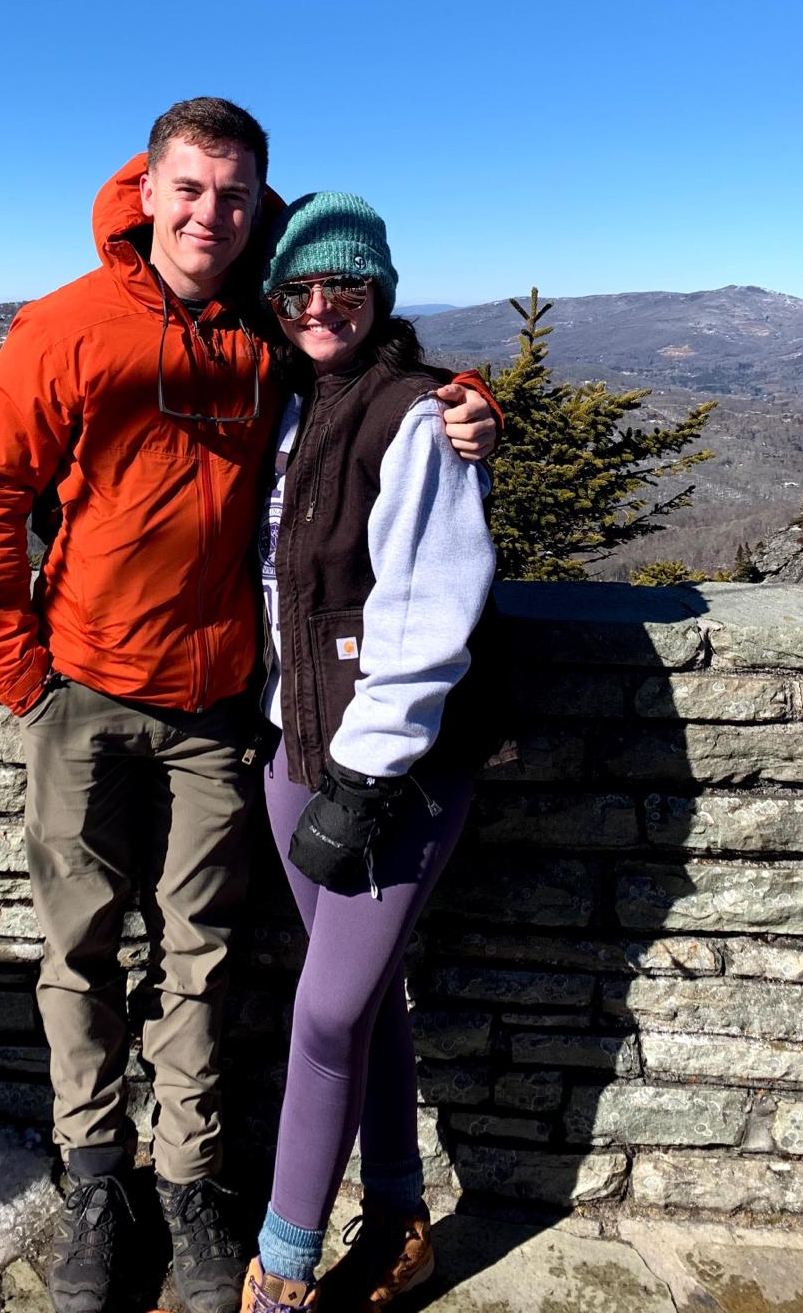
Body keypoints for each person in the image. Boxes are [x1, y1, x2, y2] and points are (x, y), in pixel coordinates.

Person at [0, 101, 499, 1313]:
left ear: (258, 205)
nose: (212, 214)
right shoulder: (68, 326)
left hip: (218, 711)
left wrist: (461, 401)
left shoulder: (261, 328)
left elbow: (366, 363)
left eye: (236, 196)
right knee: (81, 951)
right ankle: (98, 1180)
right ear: (147, 190)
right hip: (81, 689)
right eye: (191, 190)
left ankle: (194, 1189)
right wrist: (19, 673)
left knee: (203, 960)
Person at [241, 192, 498, 1312]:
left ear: (378, 292)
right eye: (296, 288)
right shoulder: (297, 410)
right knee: (369, 994)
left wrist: (365, 771)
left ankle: (282, 1275)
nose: (318, 306)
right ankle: (401, 1224)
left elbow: (429, 612)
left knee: (328, 1013)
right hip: (291, 749)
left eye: (340, 285)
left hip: (384, 774)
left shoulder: (413, 416)